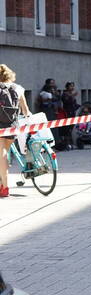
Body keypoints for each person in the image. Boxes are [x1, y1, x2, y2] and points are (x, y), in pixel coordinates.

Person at [0, 65, 32, 198]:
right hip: (13, 125)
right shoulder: (18, 88)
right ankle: (3, 183)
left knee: (2, 155)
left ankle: (5, 187)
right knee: (5, 152)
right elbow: (25, 110)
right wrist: (29, 118)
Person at [59, 82, 80, 150]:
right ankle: (67, 143)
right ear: (67, 87)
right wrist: (72, 96)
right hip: (67, 113)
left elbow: (74, 103)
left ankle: (70, 143)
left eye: (73, 86)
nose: (72, 88)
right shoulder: (65, 94)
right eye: (71, 86)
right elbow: (66, 101)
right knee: (67, 129)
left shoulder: (71, 94)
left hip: (72, 112)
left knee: (71, 128)